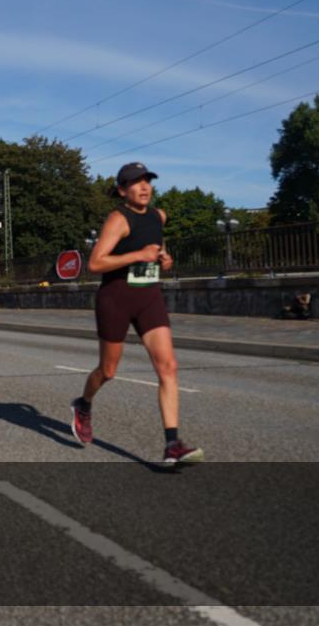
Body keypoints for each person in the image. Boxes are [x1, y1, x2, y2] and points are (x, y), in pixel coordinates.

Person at [72, 162, 203, 466]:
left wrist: (163, 258)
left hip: (149, 297)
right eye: (136, 183)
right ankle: (84, 404)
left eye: (147, 181)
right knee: (108, 371)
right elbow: (95, 263)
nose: (144, 187)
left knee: (168, 366)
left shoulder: (159, 216)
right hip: (116, 299)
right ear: (122, 190)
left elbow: (155, 248)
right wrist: (137, 255)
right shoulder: (118, 219)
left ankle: (172, 444)